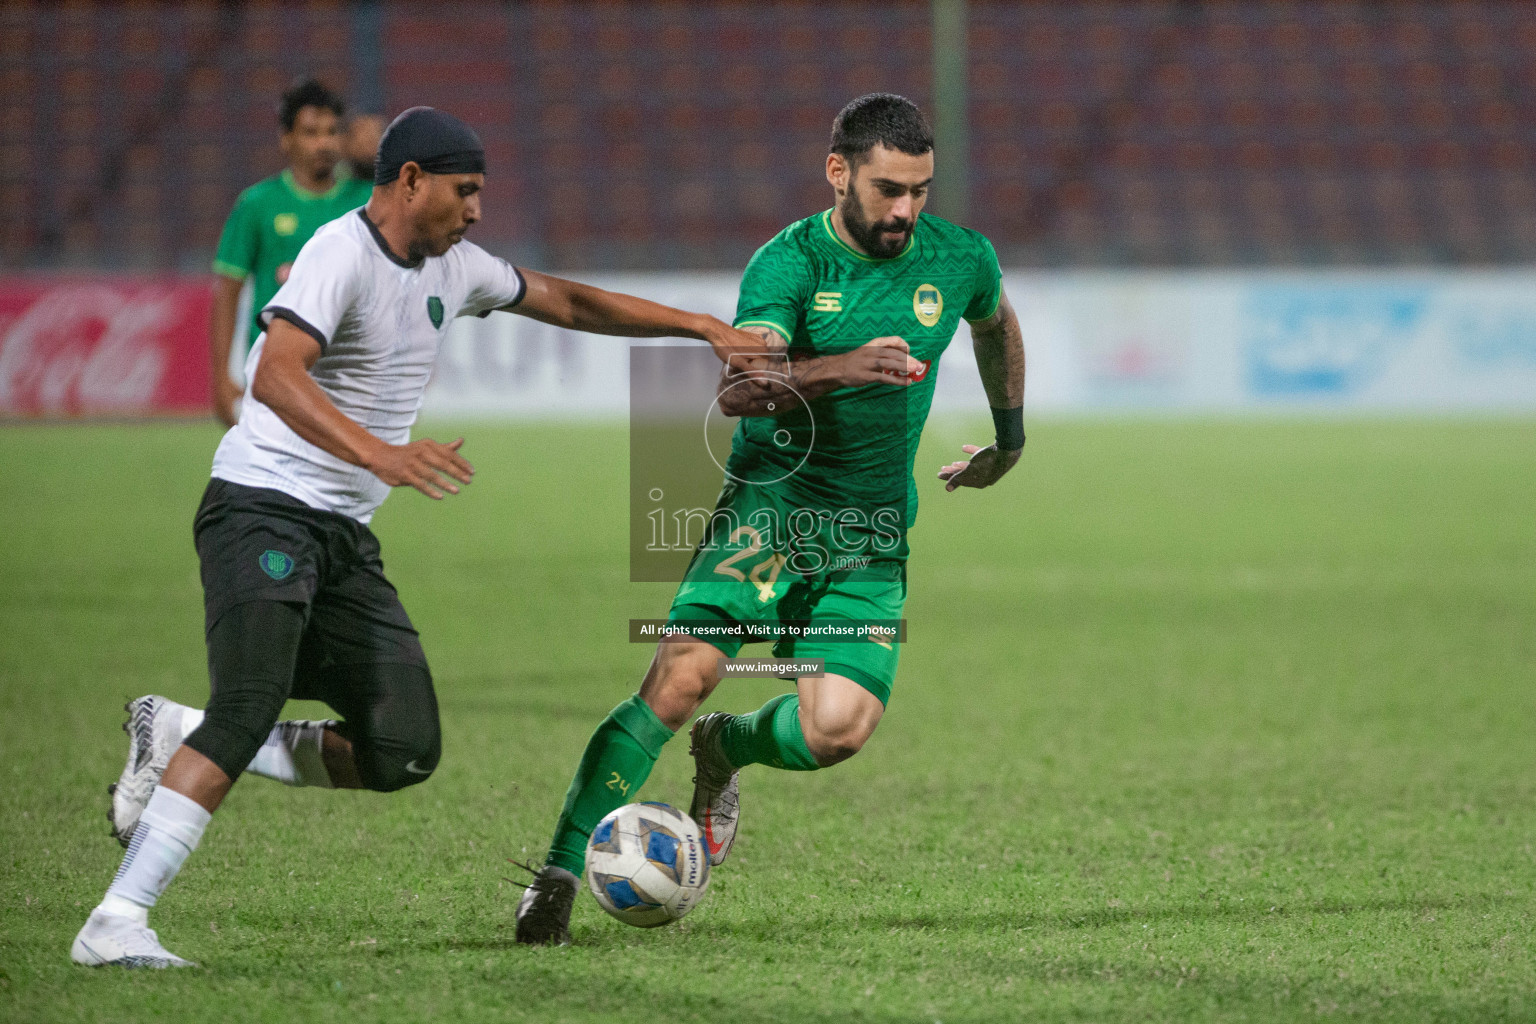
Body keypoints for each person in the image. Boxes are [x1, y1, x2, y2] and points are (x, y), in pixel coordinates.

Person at [71, 106, 764, 969]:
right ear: (410, 182)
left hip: (343, 537)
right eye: (464, 192)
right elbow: (273, 373)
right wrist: (379, 454)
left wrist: (697, 326)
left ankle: (180, 732)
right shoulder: (339, 253)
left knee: (402, 751)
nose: (475, 210)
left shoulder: (458, 268)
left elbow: (569, 299)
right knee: (249, 702)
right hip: (261, 508)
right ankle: (116, 922)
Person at [514, 93, 1027, 945]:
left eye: (921, 190)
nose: (906, 209)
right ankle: (558, 877)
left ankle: (727, 747)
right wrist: (840, 368)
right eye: (889, 189)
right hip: (768, 515)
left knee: (837, 733)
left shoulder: (961, 258)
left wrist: (1007, 443)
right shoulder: (788, 266)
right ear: (838, 173)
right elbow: (737, 391)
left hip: (868, 538)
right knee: (680, 679)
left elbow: (995, 324)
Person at [208, 79, 373, 427]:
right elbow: (227, 294)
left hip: (348, 373)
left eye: (331, 132)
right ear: (286, 138)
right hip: (275, 372)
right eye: (311, 132)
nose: (323, 143)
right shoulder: (257, 205)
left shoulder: (367, 201)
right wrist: (222, 377)